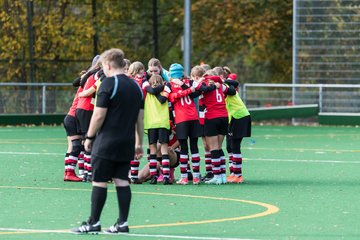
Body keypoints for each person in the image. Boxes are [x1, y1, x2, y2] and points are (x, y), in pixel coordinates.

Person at [71, 48, 144, 234]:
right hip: (126, 142)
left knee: (99, 181)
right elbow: (140, 118)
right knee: (122, 181)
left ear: (108, 64)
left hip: (107, 141)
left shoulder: (108, 84)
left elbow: (98, 115)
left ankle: (93, 222)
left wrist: (89, 137)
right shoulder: (136, 86)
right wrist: (138, 143)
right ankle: (122, 223)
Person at [224, 73, 251, 183]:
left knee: (235, 145)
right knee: (230, 146)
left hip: (240, 117)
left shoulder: (228, 88)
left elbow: (234, 84)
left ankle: (238, 175)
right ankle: (233, 173)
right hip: (234, 119)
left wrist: (221, 82)